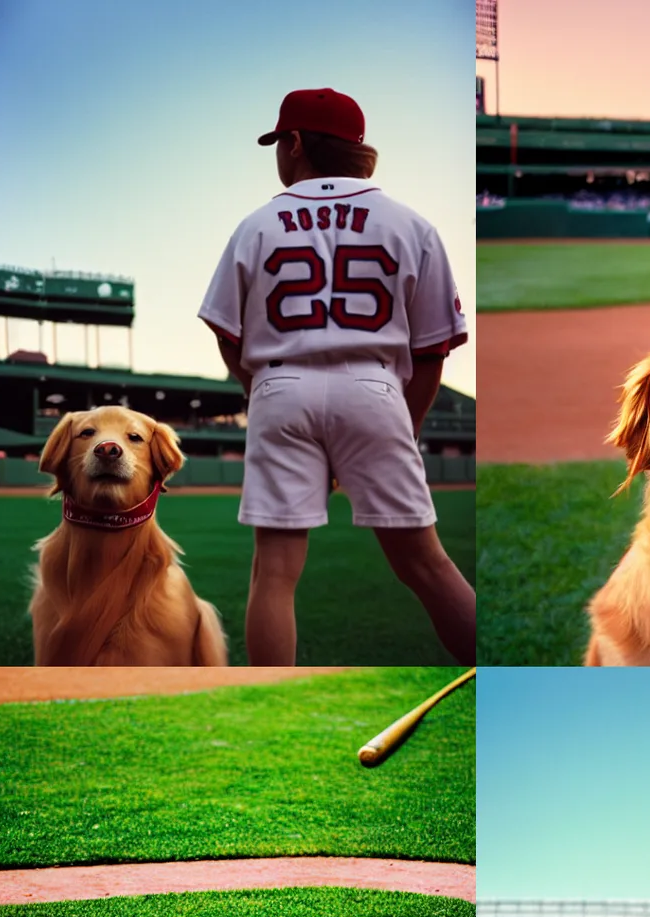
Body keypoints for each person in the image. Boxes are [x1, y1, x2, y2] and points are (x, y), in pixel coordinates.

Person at [199, 88, 473, 666]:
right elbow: (432, 350)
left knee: (273, 574)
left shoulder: (256, 225)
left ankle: (270, 711)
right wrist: (405, 425)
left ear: (296, 143)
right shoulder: (410, 224)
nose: (278, 153)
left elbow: (227, 334)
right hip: (375, 387)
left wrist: (265, 394)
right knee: (426, 565)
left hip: (279, 383)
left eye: (280, 142)